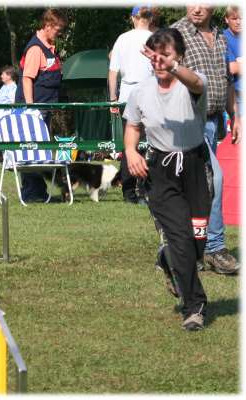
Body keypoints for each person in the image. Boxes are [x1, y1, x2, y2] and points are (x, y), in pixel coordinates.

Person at [124, 28, 210, 331]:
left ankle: (167, 259)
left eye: (167, 55)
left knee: (198, 241)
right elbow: (133, 124)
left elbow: (196, 82)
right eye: (155, 56)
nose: (159, 61)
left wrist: (173, 67)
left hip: (195, 165)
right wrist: (131, 151)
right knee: (181, 238)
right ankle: (193, 307)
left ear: (180, 56)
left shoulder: (191, 84)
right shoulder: (141, 92)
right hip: (161, 170)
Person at [171, 5, 241, 275]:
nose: (197, 8)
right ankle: (214, 247)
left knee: (195, 186)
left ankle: (185, 249)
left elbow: (225, 78)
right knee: (215, 179)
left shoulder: (221, 36)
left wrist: (234, 114)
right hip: (188, 121)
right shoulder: (176, 32)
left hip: (214, 121)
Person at [14, 8, 68, 203]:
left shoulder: (49, 46)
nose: (59, 32)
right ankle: (32, 193)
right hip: (33, 109)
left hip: (44, 106)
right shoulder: (36, 49)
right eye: (57, 29)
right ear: (47, 26)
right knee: (32, 150)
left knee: (40, 150)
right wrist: (31, 109)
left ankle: (38, 192)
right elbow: (27, 79)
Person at [108, 6, 154, 205]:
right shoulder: (155, 38)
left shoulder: (122, 38)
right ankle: (145, 189)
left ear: (133, 18)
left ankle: (128, 192)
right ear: (150, 18)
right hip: (150, 93)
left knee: (130, 144)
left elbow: (113, 72)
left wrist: (113, 99)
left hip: (127, 94)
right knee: (150, 143)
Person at [224, 6, 241, 103]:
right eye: (234, 19)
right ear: (226, 19)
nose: (238, 22)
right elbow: (232, 68)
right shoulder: (223, 38)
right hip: (236, 96)